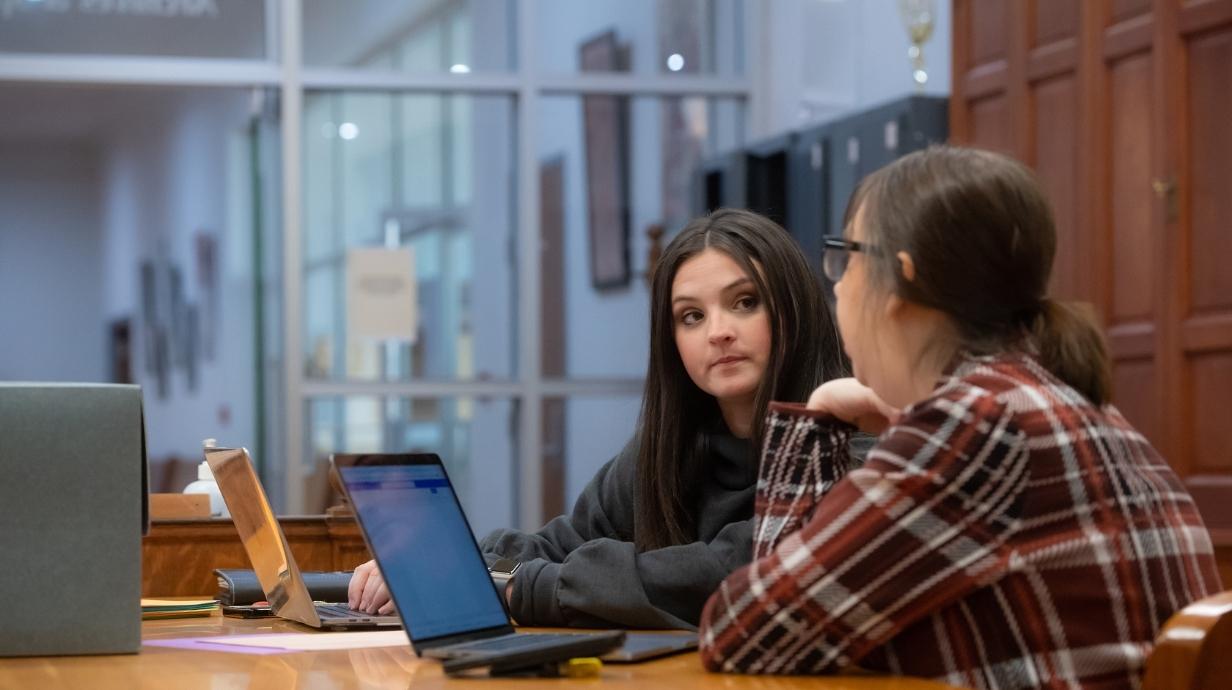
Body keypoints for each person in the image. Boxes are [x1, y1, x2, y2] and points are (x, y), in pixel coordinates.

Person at [698, 146, 1222, 688]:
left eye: (846, 259)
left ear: (901, 280)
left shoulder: (974, 423)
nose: (837, 284)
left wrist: (816, 421)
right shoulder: (1068, 398)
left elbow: (744, 631)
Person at [349, 208, 860, 629]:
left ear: (793, 309)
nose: (718, 332)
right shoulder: (665, 450)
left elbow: (721, 573)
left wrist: (519, 588)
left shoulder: (849, 447)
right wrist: (446, 564)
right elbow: (560, 543)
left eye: (745, 303)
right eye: (691, 316)